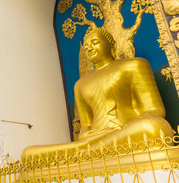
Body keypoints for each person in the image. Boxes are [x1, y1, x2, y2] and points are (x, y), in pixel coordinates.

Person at [21, 28, 173, 161]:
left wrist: (123, 129)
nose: (90, 49)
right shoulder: (80, 84)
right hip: (94, 139)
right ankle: (89, 152)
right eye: (86, 47)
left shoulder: (134, 65)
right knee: (28, 154)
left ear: (111, 44)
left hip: (125, 132)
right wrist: (88, 139)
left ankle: (85, 155)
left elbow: (156, 111)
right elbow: (86, 126)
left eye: (94, 43)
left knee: (154, 127)